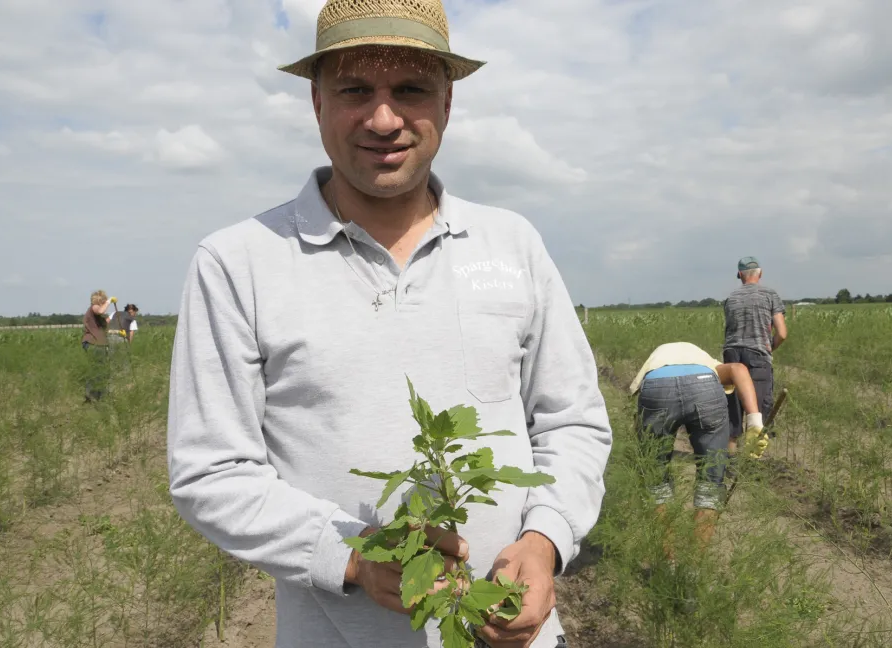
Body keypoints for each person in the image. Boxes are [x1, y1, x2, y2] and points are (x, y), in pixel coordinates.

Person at [164, 2, 613, 648]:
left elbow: (571, 421)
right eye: (354, 90)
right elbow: (210, 469)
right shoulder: (238, 263)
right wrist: (350, 552)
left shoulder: (513, 245)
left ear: (447, 102)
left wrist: (545, 540)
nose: (383, 118)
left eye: (410, 90)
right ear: (316, 103)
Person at [628, 342, 766, 546]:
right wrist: (755, 423)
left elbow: (639, 410)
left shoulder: (653, 363)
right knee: (710, 483)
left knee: (656, 482)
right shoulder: (708, 364)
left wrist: (642, 447)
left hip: (657, 387)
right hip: (705, 387)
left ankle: (667, 562)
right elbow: (738, 369)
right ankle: (693, 566)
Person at [722, 256, 787, 438]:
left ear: (740, 275)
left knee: (733, 410)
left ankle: (730, 459)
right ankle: (753, 460)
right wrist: (768, 348)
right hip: (757, 356)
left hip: (731, 356)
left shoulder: (730, 298)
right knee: (758, 410)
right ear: (760, 274)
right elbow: (781, 333)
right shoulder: (769, 295)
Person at [81, 290, 112, 401]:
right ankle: (94, 397)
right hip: (93, 343)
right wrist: (109, 301)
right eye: (103, 301)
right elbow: (100, 310)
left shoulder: (98, 315)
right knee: (98, 370)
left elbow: (103, 326)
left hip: (99, 344)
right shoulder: (94, 308)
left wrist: (112, 317)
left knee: (100, 370)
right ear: (100, 300)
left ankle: (96, 396)